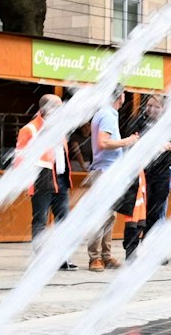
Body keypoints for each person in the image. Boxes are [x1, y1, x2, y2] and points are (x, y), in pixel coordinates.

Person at [16, 94, 77, 271]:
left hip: (60, 179)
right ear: (47, 109)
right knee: (41, 219)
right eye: (58, 107)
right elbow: (20, 158)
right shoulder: (30, 129)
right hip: (41, 178)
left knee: (63, 220)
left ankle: (62, 258)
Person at [84, 88, 141, 270]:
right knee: (101, 216)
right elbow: (104, 143)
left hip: (109, 172)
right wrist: (128, 141)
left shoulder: (107, 114)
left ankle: (106, 255)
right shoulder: (107, 115)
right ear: (120, 97)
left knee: (109, 216)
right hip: (105, 173)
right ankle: (95, 258)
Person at [123, 95, 171, 262]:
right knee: (136, 213)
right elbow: (131, 142)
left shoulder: (170, 125)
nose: (151, 109)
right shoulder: (137, 122)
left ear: (163, 109)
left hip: (162, 172)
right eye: (149, 106)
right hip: (141, 173)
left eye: (156, 107)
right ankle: (131, 251)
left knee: (156, 213)